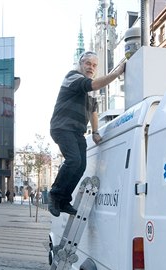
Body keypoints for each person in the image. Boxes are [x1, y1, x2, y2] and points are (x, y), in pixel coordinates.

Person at [48, 51, 125, 217]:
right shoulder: (73, 77)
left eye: (94, 65)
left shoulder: (90, 92)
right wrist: (117, 72)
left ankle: (63, 200)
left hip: (77, 130)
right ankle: (54, 195)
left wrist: (96, 132)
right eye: (88, 64)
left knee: (81, 166)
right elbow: (95, 85)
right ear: (80, 64)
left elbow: (93, 112)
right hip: (63, 127)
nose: (91, 67)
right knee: (73, 160)